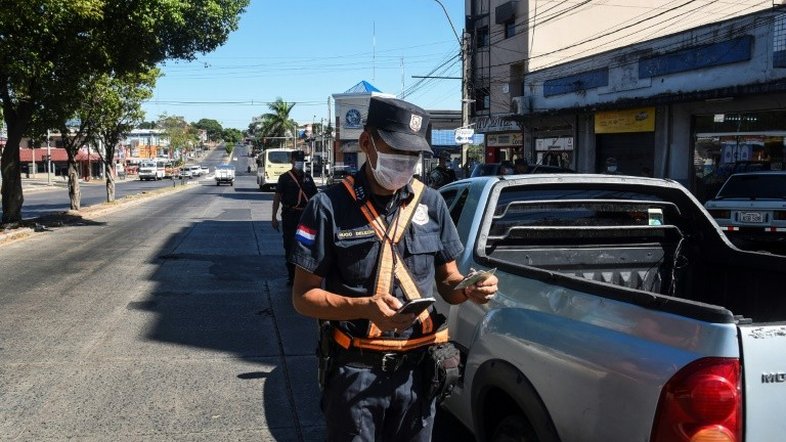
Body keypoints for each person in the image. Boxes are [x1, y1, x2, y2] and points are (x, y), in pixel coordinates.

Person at [290, 96, 498, 442]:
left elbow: (448, 283)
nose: (404, 163)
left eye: (412, 155)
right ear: (366, 142)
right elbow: (303, 297)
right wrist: (364, 308)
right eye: (396, 151)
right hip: (356, 375)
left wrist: (471, 289)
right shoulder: (327, 206)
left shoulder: (431, 202)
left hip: (418, 373)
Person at [271, 150, 318, 285]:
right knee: (290, 245)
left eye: (302, 160)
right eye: (297, 160)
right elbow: (277, 198)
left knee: (307, 245)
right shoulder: (285, 178)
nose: (299, 162)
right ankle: (292, 276)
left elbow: (316, 198)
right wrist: (273, 217)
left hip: (306, 217)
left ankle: (306, 275)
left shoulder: (308, 178)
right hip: (290, 216)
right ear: (291, 160)